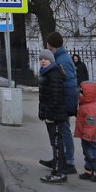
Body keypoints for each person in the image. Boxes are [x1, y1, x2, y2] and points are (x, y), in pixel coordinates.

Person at [44, 32, 79, 174]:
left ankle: (69, 163)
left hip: (62, 103)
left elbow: (69, 85)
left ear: (50, 44)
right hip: (60, 102)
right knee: (59, 132)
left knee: (64, 132)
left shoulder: (62, 61)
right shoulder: (59, 58)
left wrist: (67, 106)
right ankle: (58, 159)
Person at [37, 49, 70, 184]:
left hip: (55, 115)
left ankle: (59, 173)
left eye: (46, 58)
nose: (43, 61)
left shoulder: (53, 74)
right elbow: (45, 97)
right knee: (55, 142)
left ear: (51, 60)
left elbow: (55, 98)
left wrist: (50, 115)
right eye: (41, 59)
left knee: (57, 143)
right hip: (51, 114)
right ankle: (58, 169)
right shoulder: (47, 73)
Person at [74, 80, 96, 182]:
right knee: (87, 154)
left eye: (81, 92)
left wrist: (87, 137)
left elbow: (91, 125)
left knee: (92, 155)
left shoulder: (91, 108)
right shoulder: (85, 104)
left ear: (87, 93)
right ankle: (88, 170)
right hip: (86, 136)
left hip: (90, 137)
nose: (79, 93)